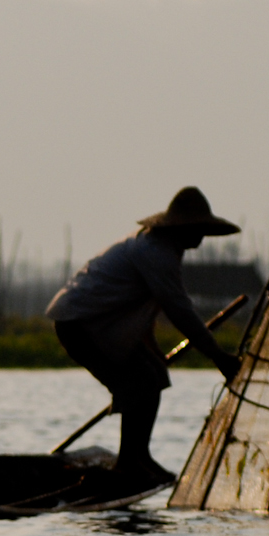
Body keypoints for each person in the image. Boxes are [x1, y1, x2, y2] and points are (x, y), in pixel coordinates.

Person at [46, 187, 244, 488]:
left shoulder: (163, 251)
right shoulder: (156, 254)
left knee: (152, 373)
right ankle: (129, 462)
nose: (202, 237)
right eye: (198, 229)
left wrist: (152, 353)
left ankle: (139, 456)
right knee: (137, 381)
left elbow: (143, 313)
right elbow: (180, 311)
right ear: (183, 228)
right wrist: (219, 357)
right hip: (80, 324)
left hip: (100, 323)